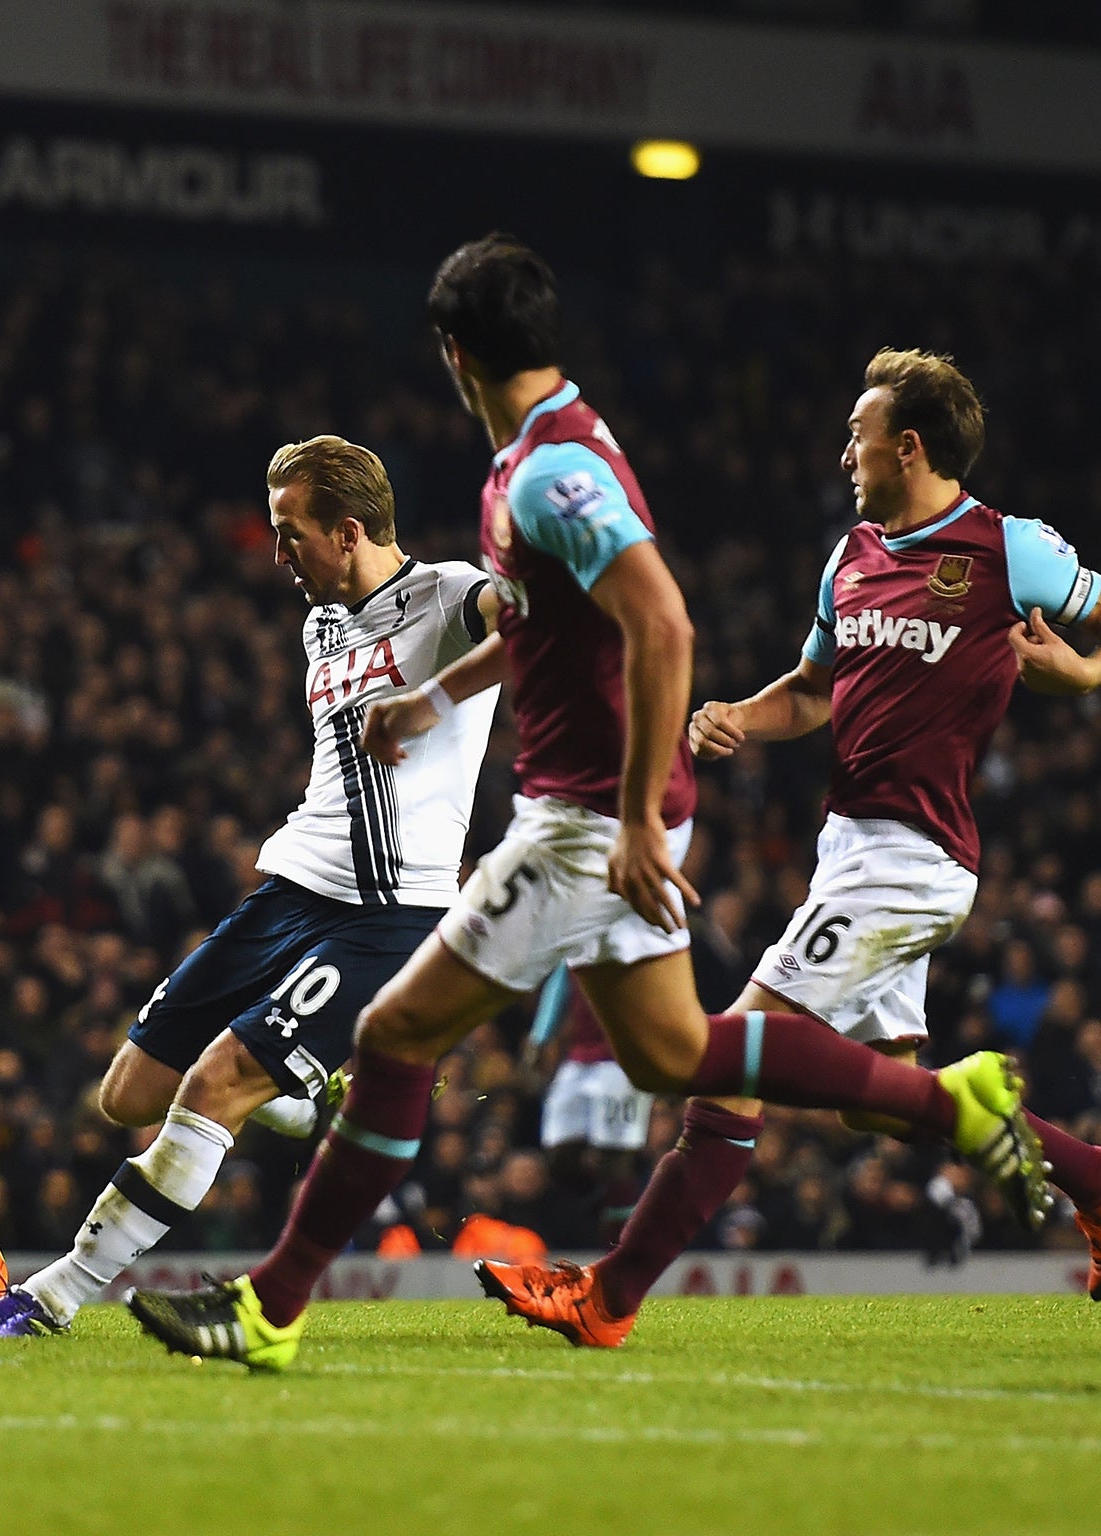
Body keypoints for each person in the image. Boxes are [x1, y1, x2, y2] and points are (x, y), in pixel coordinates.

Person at [125, 236, 1049, 1372]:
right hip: (605, 812)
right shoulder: (537, 450)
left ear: (452, 351)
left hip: (578, 821)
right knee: (673, 1053)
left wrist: (623, 819)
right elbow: (527, 619)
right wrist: (434, 698)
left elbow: (659, 623)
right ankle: (946, 1101)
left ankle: (268, 1307)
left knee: (392, 1032)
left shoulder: (555, 469)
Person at [481, 348, 1101, 1343]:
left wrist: (1078, 673)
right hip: (850, 851)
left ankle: (606, 1299)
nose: (842, 448)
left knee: (729, 1062)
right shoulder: (848, 554)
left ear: (907, 444)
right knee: (888, 1107)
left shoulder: (1004, 548)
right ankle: (1092, 1185)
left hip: (911, 857)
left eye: (856, 432)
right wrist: (736, 713)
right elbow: (810, 693)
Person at [0, 433, 501, 1336]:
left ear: (349, 531)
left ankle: (54, 1299)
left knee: (214, 1084)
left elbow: (546, 628)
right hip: (291, 894)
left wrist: (434, 699)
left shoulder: (447, 599)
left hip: (389, 913)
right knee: (125, 1094)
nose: (276, 554)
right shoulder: (320, 624)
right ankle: (303, 1093)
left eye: (289, 533)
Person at [527, 967, 651, 1244]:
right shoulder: (579, 936)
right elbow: (559, 985)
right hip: (579, 1058)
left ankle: (622, 1246)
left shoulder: (641, 935)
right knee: (559, 1153)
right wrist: (540, 1037)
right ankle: (597, 1214)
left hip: (622, 1060)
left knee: (615, 1157)